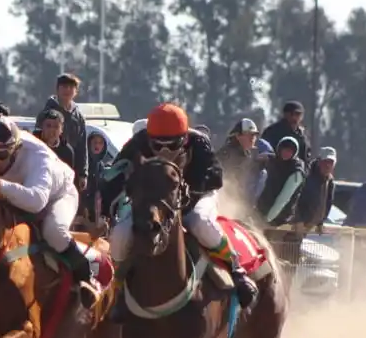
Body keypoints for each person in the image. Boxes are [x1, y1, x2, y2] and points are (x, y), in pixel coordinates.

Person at [102, 103, 258, 314]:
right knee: (121, 234)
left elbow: (215, 177)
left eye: (172, 145)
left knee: (199, 222)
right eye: (158, 146)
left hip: (195, 198)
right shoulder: (138, 143)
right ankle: (118, 289)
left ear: (184, 138)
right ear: (149, 138)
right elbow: (114, 175)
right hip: (153, 201)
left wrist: (187, 194)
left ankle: (236, 270)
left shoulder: (199, 143)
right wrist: (108, 203)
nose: (165, 151)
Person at [0, 116, 95, 296]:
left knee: (53, 231)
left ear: (14, 149)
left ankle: (86, 279)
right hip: (20, 194)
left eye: (0, 155)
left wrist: (0, 185)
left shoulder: (38, 158)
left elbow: (37, 201)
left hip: (58, 196)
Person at [44, 74, 88, 193]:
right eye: (64, 86)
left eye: (71, 87)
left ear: (76, 91)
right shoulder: (47, 113)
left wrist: (83, 173)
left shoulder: (78, 116)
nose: (67, 90)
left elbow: (82, 147)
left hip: (71, 169)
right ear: (57, 89)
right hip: (50, 167)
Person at [255, 137, 307, 227]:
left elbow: (283, 198)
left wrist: (267, 219)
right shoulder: (273, 161)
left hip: (279, 218)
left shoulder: (296, 172)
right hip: (261, 211)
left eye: (290, 151)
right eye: (284, 149)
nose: (287, 153)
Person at [295, 146, 337, 231]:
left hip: (308, 227)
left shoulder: (330, 182)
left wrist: (320, 222)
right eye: (325, 161)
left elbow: (327, 204)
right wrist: (298, 220)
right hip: (293, 226)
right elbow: (295, 199)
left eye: (331, 162)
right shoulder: (306, 176)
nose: (328, 165)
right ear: (319, 161)